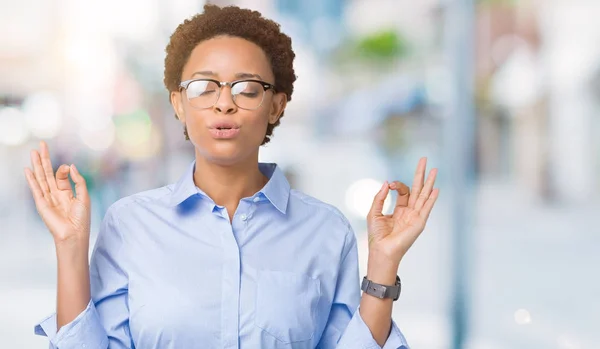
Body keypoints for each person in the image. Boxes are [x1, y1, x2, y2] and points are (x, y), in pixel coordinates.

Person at [24, 4, 439, 349]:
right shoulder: (129, 224)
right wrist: (70, 246)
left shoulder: (326, 231)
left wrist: (383, 264)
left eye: (246, 89)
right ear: (179, 104)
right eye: (204, 87)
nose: (224, 104)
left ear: (276, 106)